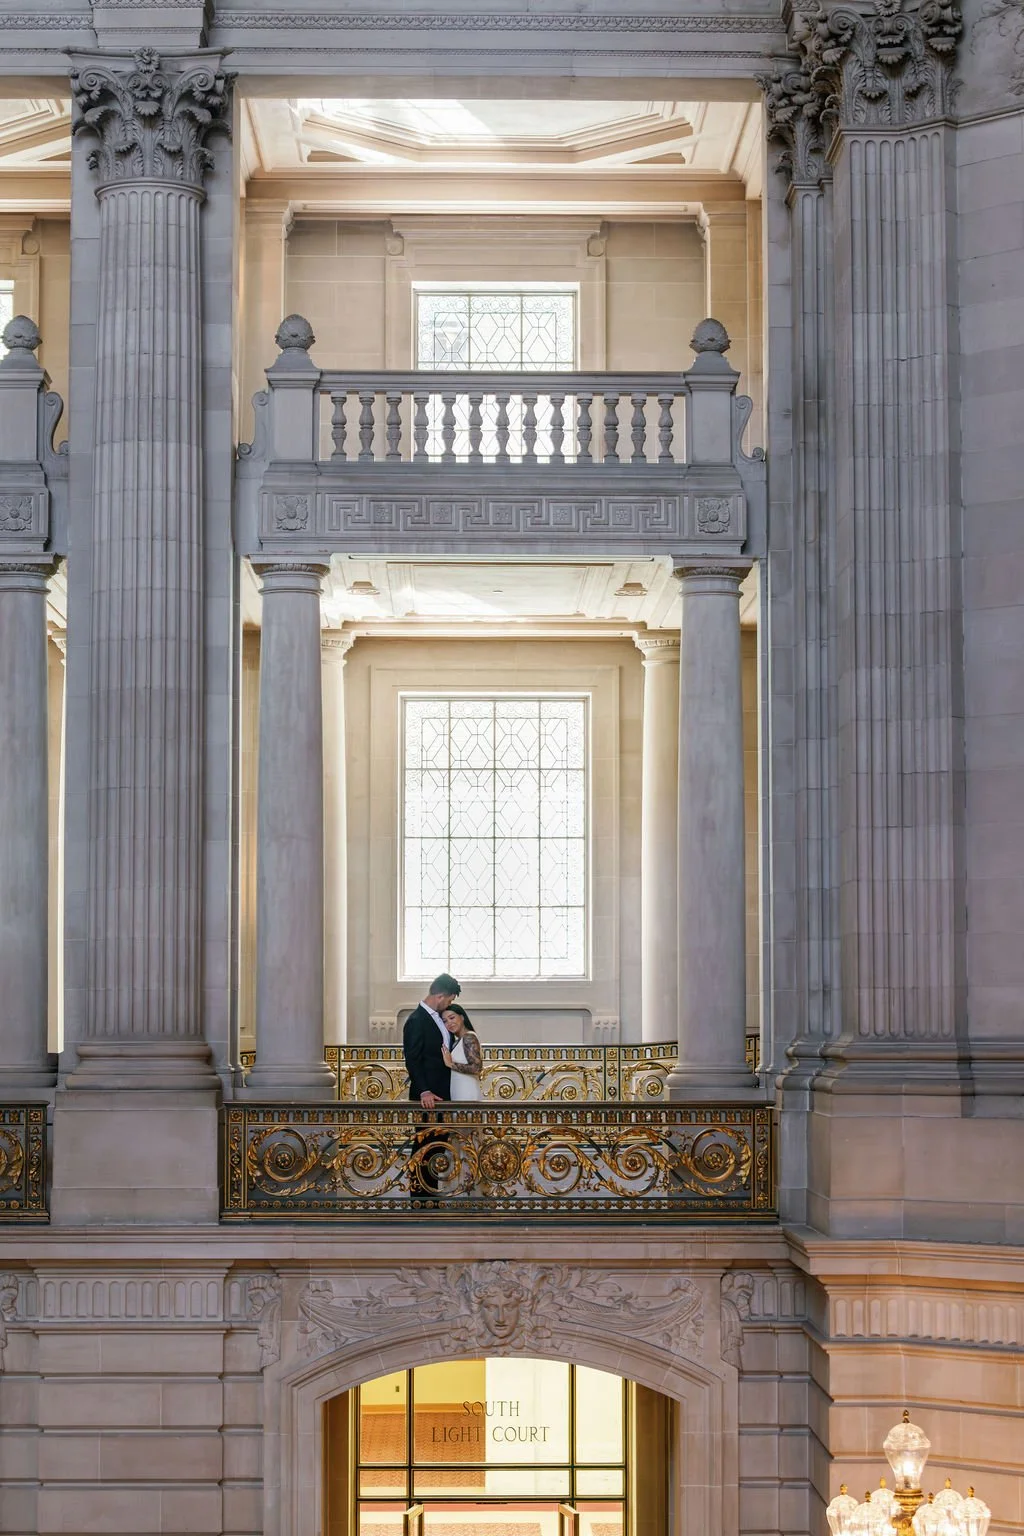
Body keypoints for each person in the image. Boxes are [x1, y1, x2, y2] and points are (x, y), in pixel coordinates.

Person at [402, 973, 461, 1200]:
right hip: (427, 1096)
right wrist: (424, 1090)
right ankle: (419, 1199)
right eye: (449, 1000)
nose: (450, 1005)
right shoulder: (416, 1020)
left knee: (437, 1147)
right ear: (440, 996)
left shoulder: (439, 1018)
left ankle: (431, 1197)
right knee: (423, 1147)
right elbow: (413, 1059)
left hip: (442, 1095)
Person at [441, 1004, 483, 1100]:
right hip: (459, 1091)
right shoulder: (458, 1041)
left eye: (452, 1018)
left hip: (468, 1093)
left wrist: (450, 1064)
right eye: (445, 1021)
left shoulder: (469, 1037)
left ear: (462, 1017)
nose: (449, 1023)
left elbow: (476, 1068)